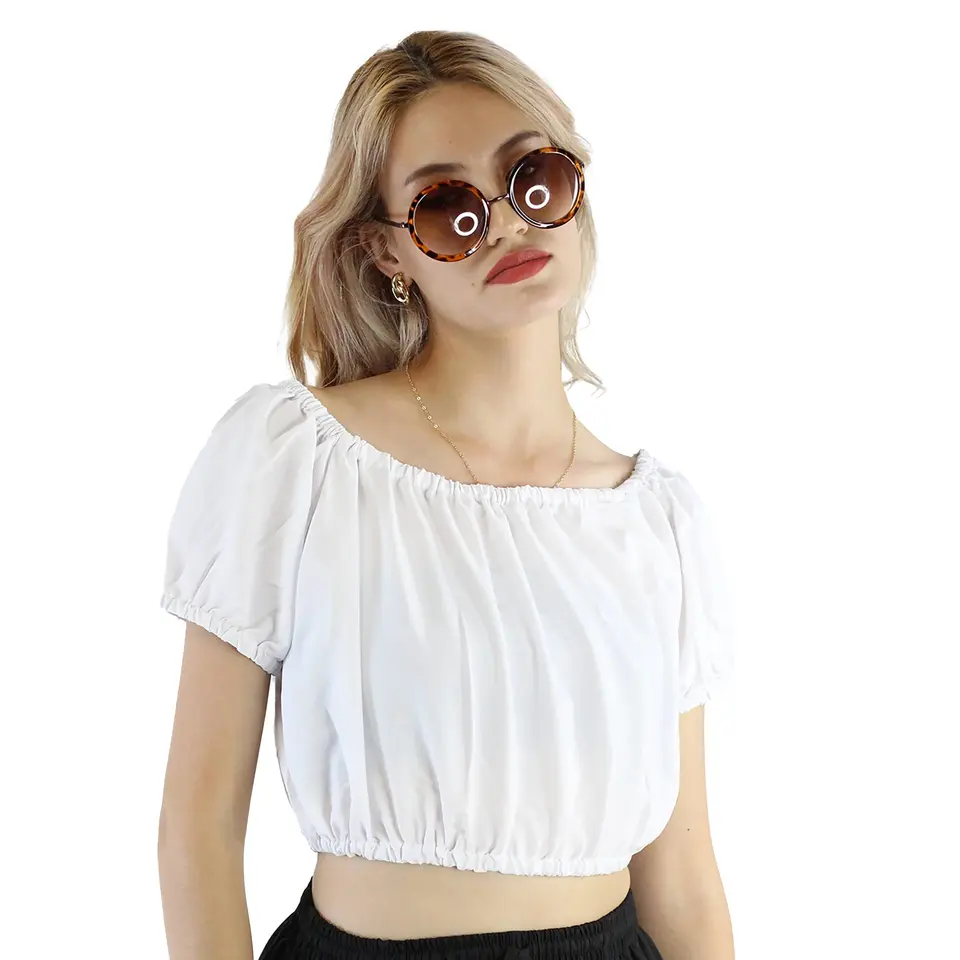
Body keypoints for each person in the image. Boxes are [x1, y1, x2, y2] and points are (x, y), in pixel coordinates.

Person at [157, 29, 737, 960]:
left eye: (534, 178)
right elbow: (198, 829)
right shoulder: (297, 460)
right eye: (447, 207)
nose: (505, 224)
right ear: (387, 251)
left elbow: (685, 881)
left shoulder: (654, 519)